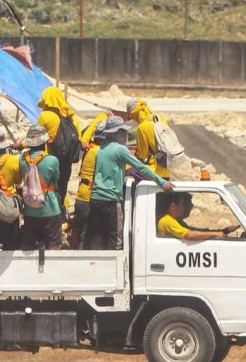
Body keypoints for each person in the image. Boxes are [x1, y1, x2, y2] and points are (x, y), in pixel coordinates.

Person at [84, 116, 170, 250]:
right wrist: (162, 182)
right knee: (115, 239)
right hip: (110, 199)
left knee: (98, 237)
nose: (126, 135)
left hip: (95, 198)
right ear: (114, 133)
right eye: (122, 132)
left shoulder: (101, 149)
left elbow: (107, 172)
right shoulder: (120, 149)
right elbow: (141, 167)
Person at [18, 122, 63, 249]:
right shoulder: (52, 160)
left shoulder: (22, 159)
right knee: (54, 245)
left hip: (30, 210)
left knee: (29, 246)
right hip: (49, 209)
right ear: (44, 141)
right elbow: (56, 179)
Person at [38, 86, 82, 213]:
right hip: (66, 162)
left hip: (48, 160)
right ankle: (61, 218)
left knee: (47, 193)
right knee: (61, 191)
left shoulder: (45, 116)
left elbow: (35, 137)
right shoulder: (71, 118)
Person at [70, 123, 105, 250]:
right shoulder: (99, 152)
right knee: (88, 236)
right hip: (88, 199)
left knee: (80, 233)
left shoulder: (91, 149)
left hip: (81, 197)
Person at [156, 192, 242, 242]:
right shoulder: (167, 221)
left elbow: (194, 231)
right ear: (173, 206)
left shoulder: (176, 221)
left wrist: (224, 231)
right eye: (185, 205)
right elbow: (190, 235)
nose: (190, 207)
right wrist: (215, 234)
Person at [127, 97, 177, 179]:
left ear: (134, 113)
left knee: (129, 172)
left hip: (154, 172)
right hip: (167, 171)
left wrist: (133, 154)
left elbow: (143, 155)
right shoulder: (161, 119)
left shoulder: (142, 127)